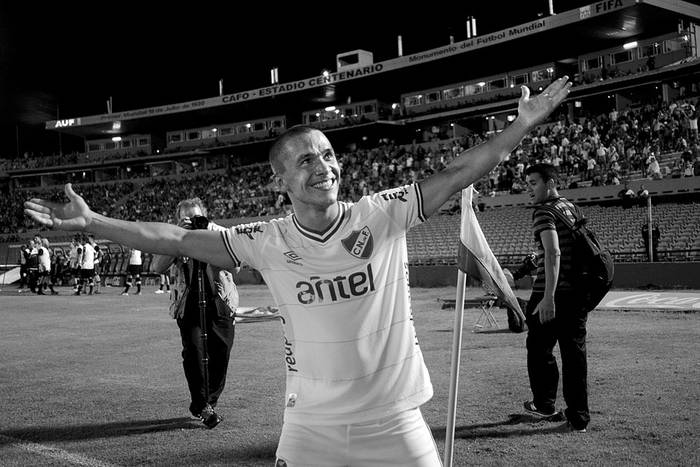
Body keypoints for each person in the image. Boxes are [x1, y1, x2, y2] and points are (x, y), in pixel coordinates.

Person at [24, 76, 571, 465]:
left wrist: (518, 127)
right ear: (279, 182)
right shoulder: (267, 241)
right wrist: (94, 220)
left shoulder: (381, 213)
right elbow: (177, 237)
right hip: (312, 425)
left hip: (396, 419)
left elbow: (455, 172)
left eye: (328, 155)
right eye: (305, 160)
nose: (324, 166)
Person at [151, 198, 239, 428]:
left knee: (221, 353)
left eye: (196, 218)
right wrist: (179, 236)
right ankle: (201, 405)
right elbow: (156, 267)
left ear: (206, 217)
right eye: (185, 219)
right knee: (194, 353)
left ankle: (208, 402)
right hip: (187, 303)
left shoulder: (218, 236)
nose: (192, 222)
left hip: (220, 300)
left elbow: (236, 266)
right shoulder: (173, 238)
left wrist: (209, 234)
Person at [522, 162, 590, 433]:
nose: (529, 189)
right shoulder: (571, 209)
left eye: (534, 183)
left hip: (551, 293)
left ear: (549, 183)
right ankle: (578, 419)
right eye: (527, 184)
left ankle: (545, 404)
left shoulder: (543, 211)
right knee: (574, 356)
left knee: (538, 349)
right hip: (576, 292)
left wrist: (548, 297)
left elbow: (554, 252)